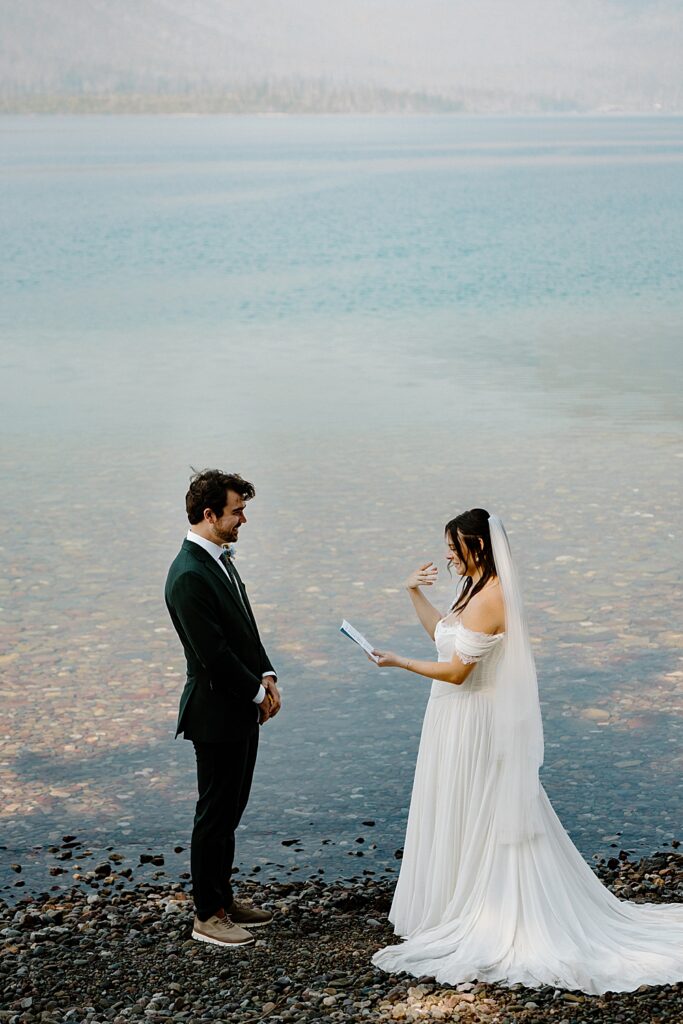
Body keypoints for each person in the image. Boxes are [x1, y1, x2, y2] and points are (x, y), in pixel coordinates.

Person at [369, 508, 683, 993]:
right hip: (452, 716)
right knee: (459, 806)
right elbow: (443, 637)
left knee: (482, 808)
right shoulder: (471, 587)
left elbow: (456, 671)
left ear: (476, 545)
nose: (448, 555)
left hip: (473, 718)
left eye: (454, 546)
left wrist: (397, 662)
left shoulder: (490, 597)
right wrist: (413, 592)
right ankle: (453, 900)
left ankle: (487, 908)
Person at [165, 469, 281, 948]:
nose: (244, 519)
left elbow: (244, 630)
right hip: (214, 712)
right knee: (213, 815)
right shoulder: (189, 575)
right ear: (209, 515)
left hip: (239, 708)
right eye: (237, 511)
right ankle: (207, 915)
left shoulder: (220, 561)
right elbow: (212, 654)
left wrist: (267, 674)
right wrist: (257, 694)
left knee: (231, 810)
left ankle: (224, 899)